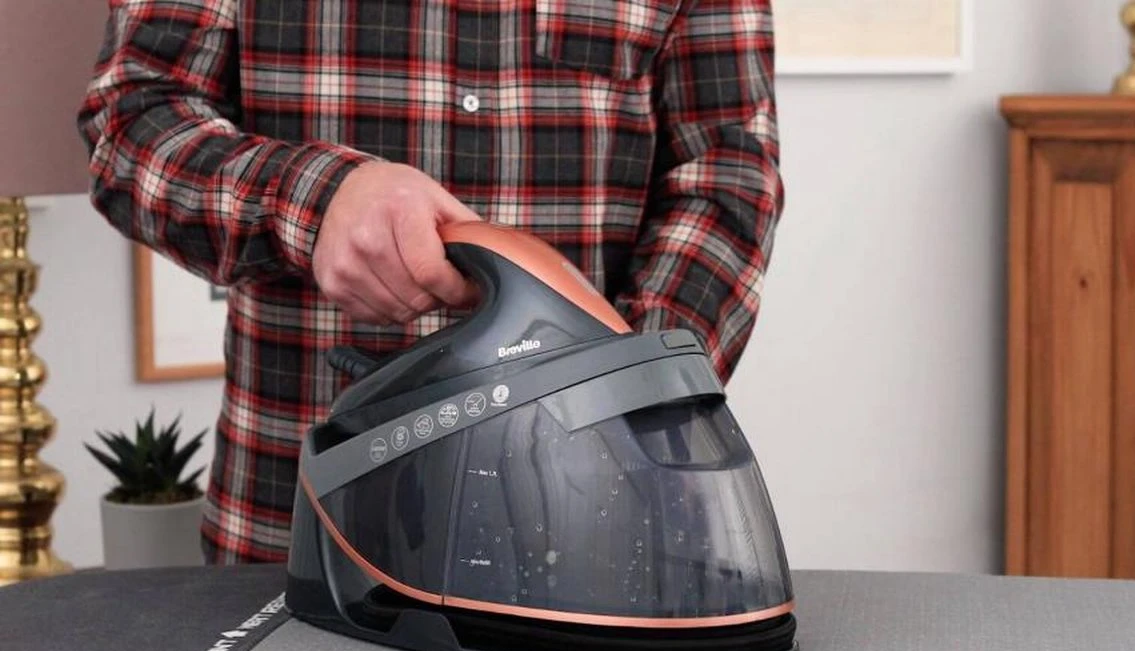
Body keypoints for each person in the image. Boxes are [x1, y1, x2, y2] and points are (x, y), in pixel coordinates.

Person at [77, 0, 783, 565]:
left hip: (604, 536)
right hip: (297, 528)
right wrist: (313, 200)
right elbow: (133, 122)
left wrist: (617, 402)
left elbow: (727, 176)